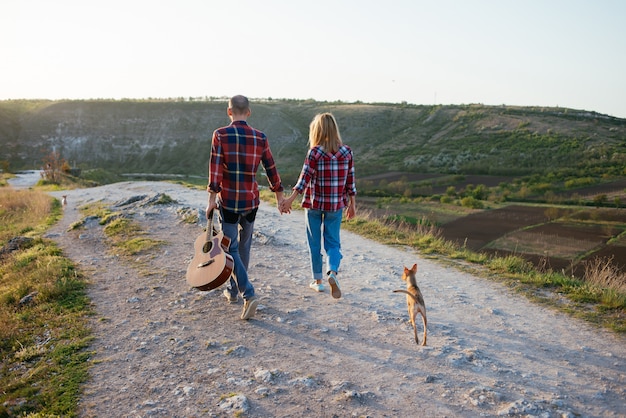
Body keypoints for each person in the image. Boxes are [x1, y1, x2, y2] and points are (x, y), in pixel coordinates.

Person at [206, 95, 286, 320]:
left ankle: (247, 294)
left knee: (229, 249)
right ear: (248, 112)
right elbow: (271, 168)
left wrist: (212, 200)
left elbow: (215, 172)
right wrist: (279, 196)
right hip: (251, 203)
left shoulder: (220, 135)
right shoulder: (260, 137)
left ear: (229, 111)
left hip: (229, 202)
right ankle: (232, 291)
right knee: (244, 248)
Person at [281, 112, 356, 299]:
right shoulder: (347, 152)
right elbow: (350, 182)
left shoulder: (314, 152)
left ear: (317, 130)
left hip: (314, 205)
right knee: (333, 243)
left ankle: (318, 282)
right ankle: (332, 272)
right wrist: (352, 205)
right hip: (336, 206)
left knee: (314, 243)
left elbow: (303, 180)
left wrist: (289, 200)